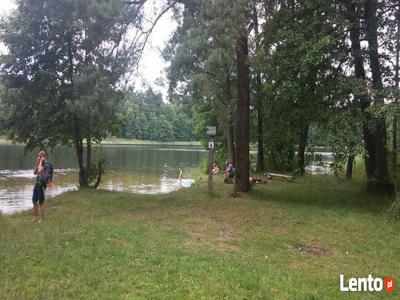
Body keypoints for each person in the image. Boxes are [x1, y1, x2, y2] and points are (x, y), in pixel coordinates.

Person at [32, 150, 47, 223]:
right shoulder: (39, 163)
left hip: (42, 184)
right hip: (37, 183)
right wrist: (37, 163)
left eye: (40, 156)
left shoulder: (46, 164)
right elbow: (34, 172)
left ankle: (41, 219)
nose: (39, 157)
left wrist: (40, 162)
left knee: (41, 202)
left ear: (44, 157)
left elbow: (40, 171)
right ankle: (35, 217)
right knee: (34, 200)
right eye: (38, 156)